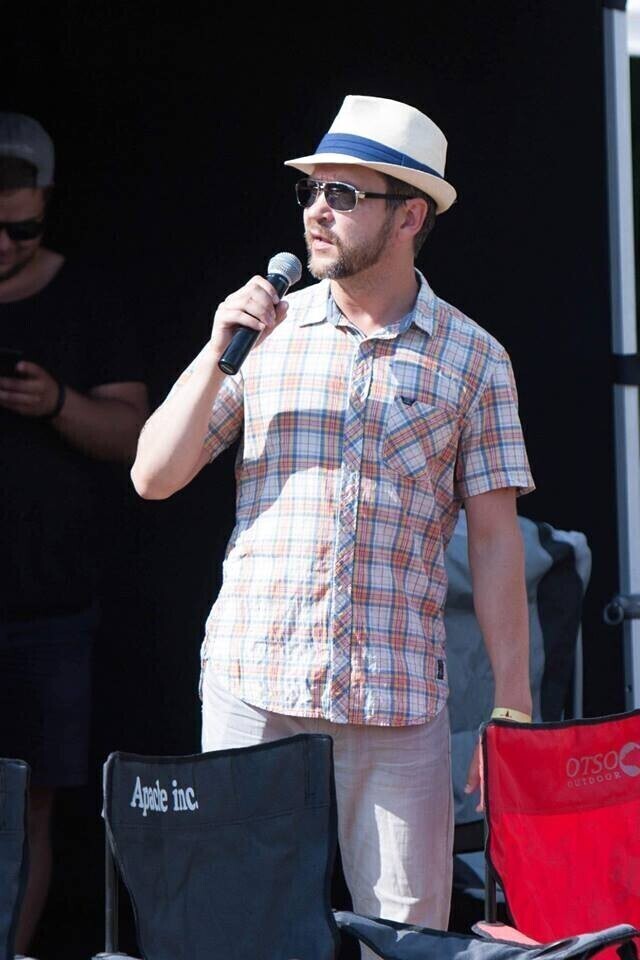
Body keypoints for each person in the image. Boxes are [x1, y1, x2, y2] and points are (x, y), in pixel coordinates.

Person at [131, 94, 534, 952]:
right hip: (254, 683)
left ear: (409, 217)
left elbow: (497, 541)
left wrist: (512, 702)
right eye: (311, 191)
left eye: (344, 195)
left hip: (396, 699)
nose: (317, 210)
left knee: (408, 938)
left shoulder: (475, 358)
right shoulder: (264, 335)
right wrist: (215, 350)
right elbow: (152, 477)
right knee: (240, 935)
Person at [0, 112, 149, 954]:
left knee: (30, 805)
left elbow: (140, 442)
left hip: (47, 606)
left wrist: (56, 402)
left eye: (20, 229)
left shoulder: (86, 296)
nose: (3, 244)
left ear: (47, 205)